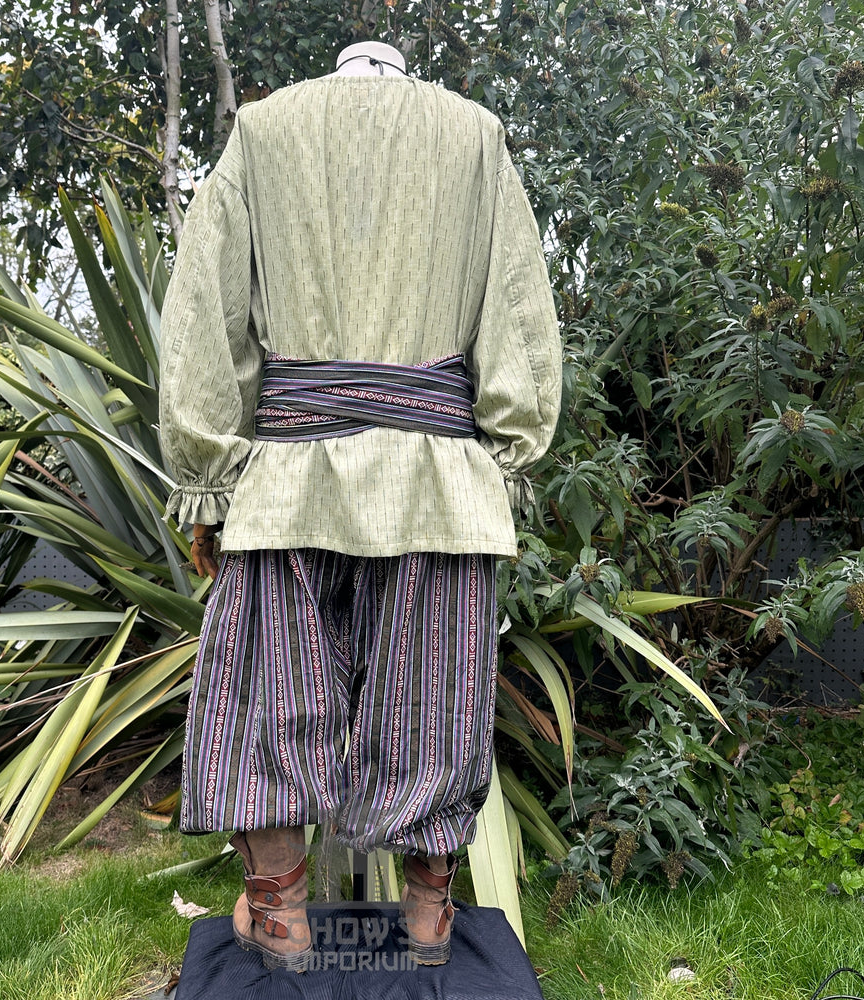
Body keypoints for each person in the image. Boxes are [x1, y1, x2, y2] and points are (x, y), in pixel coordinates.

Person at [158, 39, 561, 973]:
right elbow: (518, 311)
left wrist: (213, 475)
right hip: (437, 480)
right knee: (436, 703)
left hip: (290, 475)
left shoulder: (263, 132)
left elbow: (203, 312)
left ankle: (282, 917)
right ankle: (428, 917)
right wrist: (501, 453)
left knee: (266, 700)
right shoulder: (473, 136)